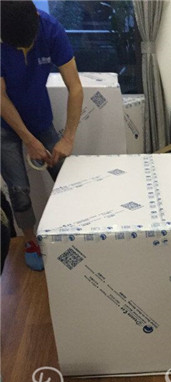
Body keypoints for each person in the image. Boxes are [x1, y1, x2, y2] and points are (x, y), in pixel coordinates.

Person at [1, 1, 83, 271]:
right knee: (19, 191)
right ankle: (30, 242)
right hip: (3, 124)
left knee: (65, 175)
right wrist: (29, 140)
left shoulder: (51, 29)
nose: (23, 52)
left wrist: (68, 138)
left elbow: (75, 87)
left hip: (38, 114)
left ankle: (78, 232)